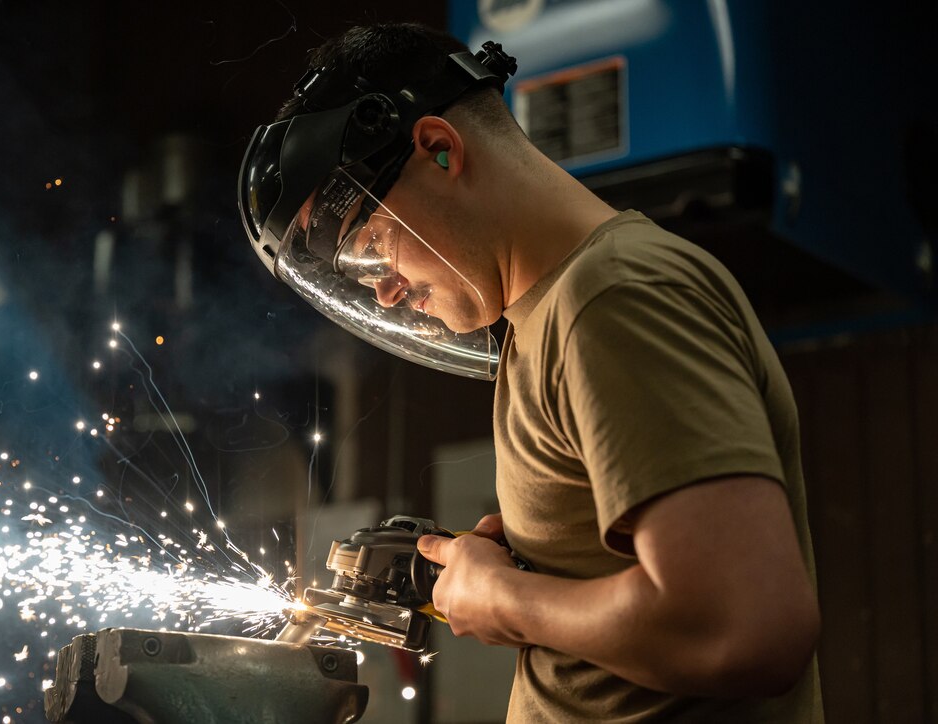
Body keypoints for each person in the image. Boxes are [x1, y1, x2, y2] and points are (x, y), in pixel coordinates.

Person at [238, 22, 822, 723]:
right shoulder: (541, 318)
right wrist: (520, 568)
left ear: (439, 150)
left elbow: (750, 629)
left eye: (369, 246)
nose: (384, 291)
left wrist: (508, 603)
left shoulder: (613, 299)